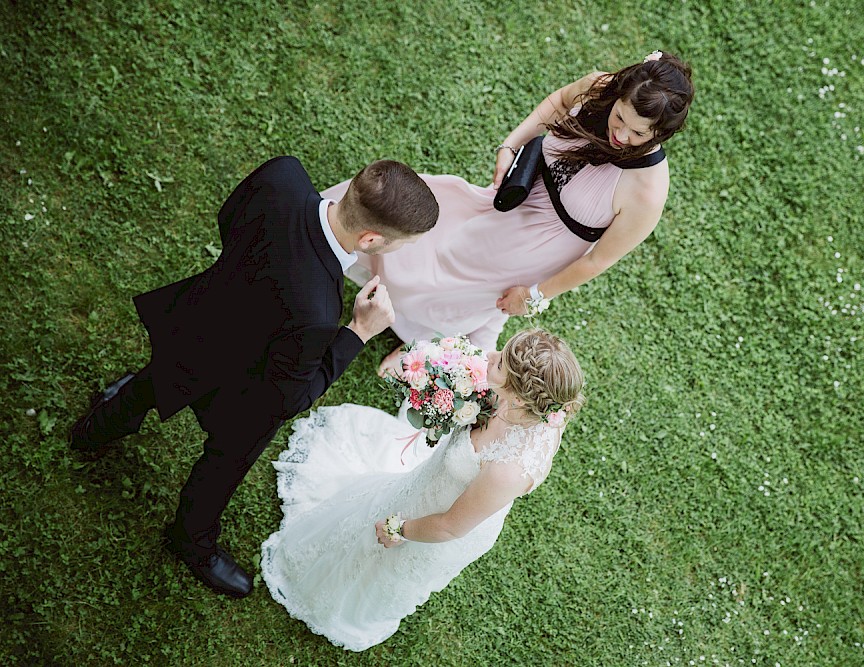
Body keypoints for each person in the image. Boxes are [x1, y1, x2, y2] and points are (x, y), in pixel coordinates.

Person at [68, 156, 439, 598]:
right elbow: (291, 398)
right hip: (245, 389)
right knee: (225, 461)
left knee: (157, 375)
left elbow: (229, 220)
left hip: (199, 320)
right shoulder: (319, 310)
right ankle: (192, 539)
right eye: (402, 244)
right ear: (372, 238)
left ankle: (100, 425)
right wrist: (359, 332)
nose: (400, 250)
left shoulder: (284, 175)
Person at [320, 50, 693, 370]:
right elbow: (560, 102)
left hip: (538, 247)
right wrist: (511, 145)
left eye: (638, 134)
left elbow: (597, 262)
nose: (622, 136)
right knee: (435, 225)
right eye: (620, 118)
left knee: (457, 290)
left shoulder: (647, 193)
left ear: (661, 134)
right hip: (513, 196)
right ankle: (335, 246)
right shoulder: (600, 87)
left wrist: (534, 295)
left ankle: (426, 337)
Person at [260, 328, 584, 651]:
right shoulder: (543, 404)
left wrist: (398, 528)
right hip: (430, 482)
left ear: (518, 397)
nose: (490, 356)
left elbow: (450, 525)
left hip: (445, 520)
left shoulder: (509, 470)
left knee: (384, 561)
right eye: (502, 353)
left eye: (500, 364)